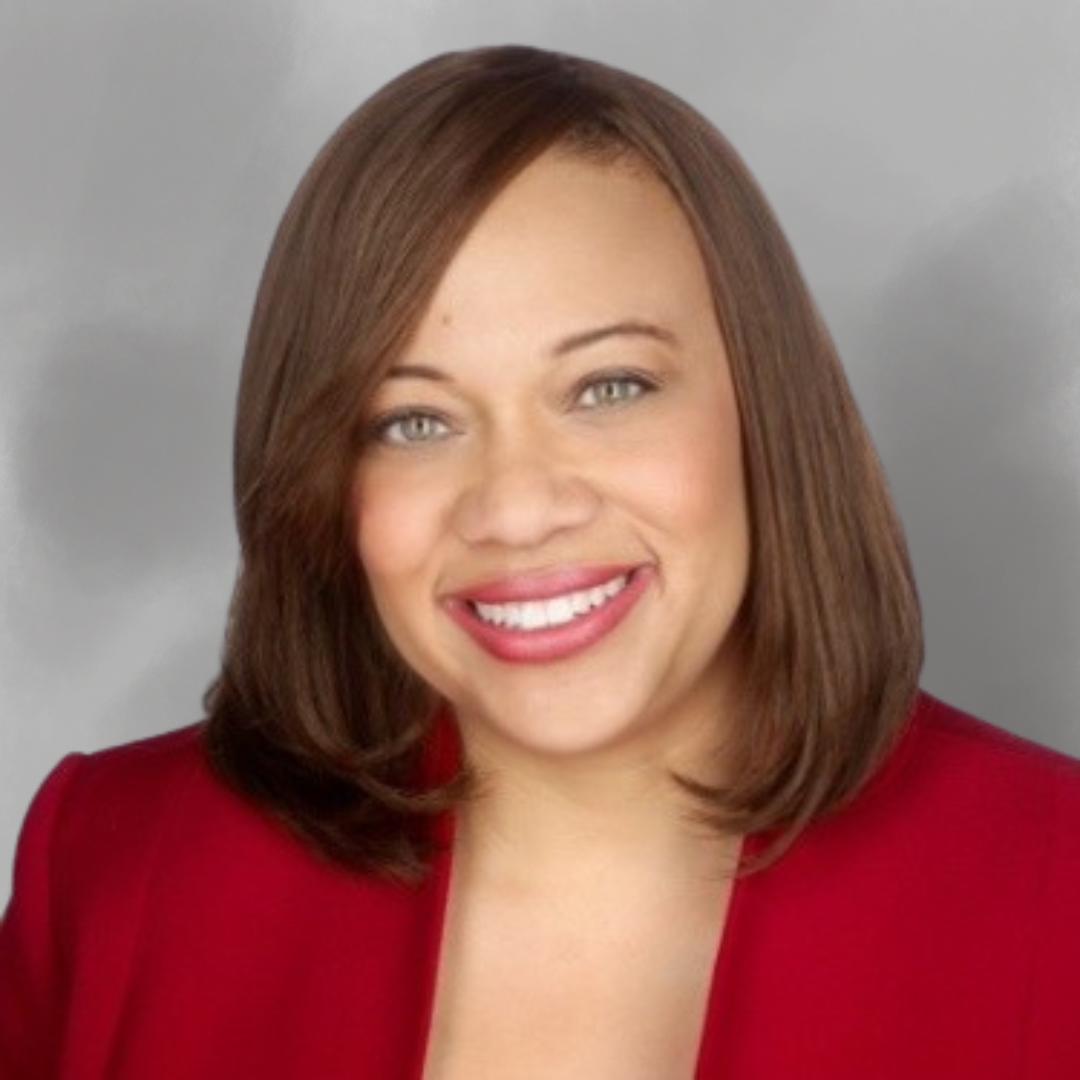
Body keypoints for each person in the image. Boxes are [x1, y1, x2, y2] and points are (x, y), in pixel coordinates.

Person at [1, 45, 1078, 1079]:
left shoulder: (1055, 886)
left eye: (609, 388)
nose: (517, 510)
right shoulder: (112, 869)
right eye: (414, 421)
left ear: (764, 410)